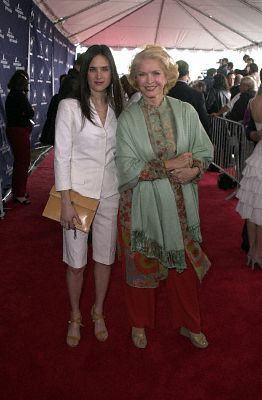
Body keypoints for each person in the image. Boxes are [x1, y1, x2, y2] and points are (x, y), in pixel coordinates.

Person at [116, 45, 213, 350]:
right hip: (140, 207)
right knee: (141, 268)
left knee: (181, 268)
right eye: (142, 74)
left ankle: (190, 324)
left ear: (167, 75)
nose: (149, 80)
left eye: (155, 73)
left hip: (181, 204)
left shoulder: (185, 111)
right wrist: (170, 165)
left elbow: (203, 151)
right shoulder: (127, 119)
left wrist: (195, 169)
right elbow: (127, 168)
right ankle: (139, 324)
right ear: (134, 78)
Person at [54, 44, 124, 347]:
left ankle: (97, 311)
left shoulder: (120, 106)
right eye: (93, 68)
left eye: (104, 68)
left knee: (105, 259)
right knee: (76, 263)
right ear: (84, 71)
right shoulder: (69, 106)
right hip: (78, 196)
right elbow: (61, 157)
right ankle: (74, 315)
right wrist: (65, 202)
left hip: (110, 193)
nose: (99, 75)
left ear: (112, 72)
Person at [236, 84, 262, 269]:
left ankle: (253, 250)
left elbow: (250, 131)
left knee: (254, 207)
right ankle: (259, 252)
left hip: (258, 156)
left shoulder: (253, 101)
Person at [5, 70, 34, 204]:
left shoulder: (11, 95)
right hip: (19, 132)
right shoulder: (19, 96)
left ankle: (18, 191)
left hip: (14, 131)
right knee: (22, 162)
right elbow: (30, 112)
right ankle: (19, 193)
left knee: (19, 162)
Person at [168, 60, 210, 134]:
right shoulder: (197, 94)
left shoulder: (165, 92)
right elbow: (203, 119)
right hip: (190, 134)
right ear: (188, 73)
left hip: (169, 134)